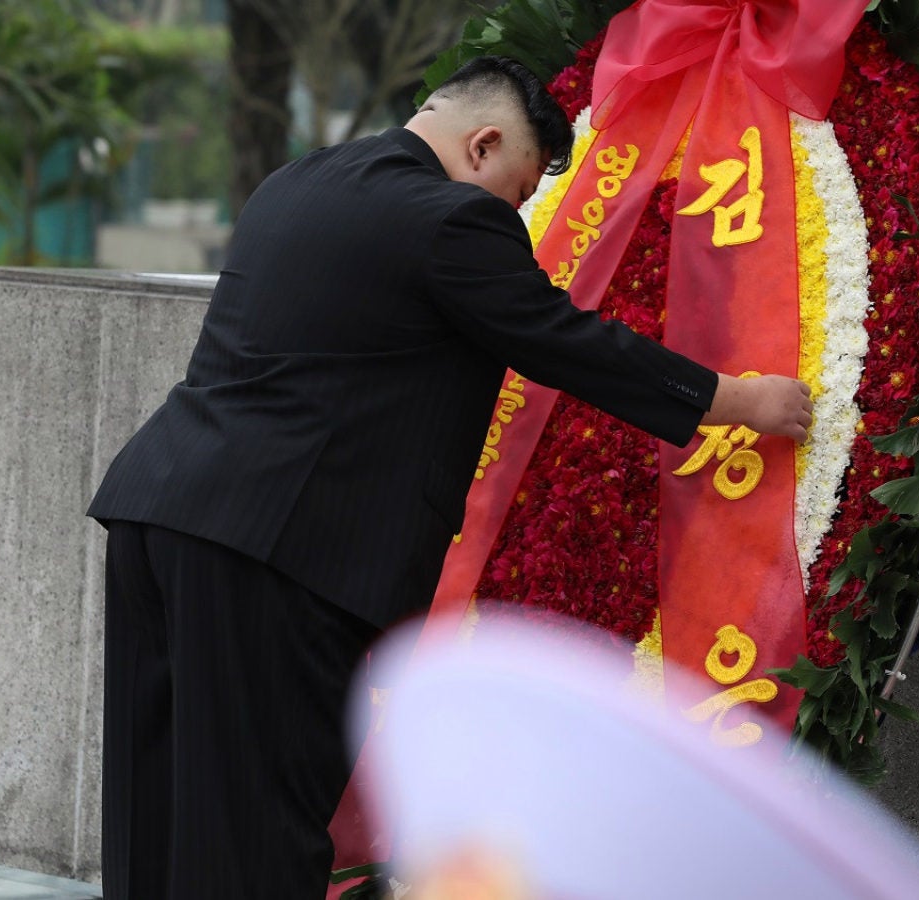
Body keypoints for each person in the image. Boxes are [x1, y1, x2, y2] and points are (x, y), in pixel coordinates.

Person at [86, 55, 814, 899]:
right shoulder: (448, 218)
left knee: (159, 809)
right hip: (275, 550)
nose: (520, 209)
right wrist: (734, 398)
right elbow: (558, 339)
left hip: (159, 509)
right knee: (258, 826)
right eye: (523, 186)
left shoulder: (299, 180)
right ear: (483, 144)